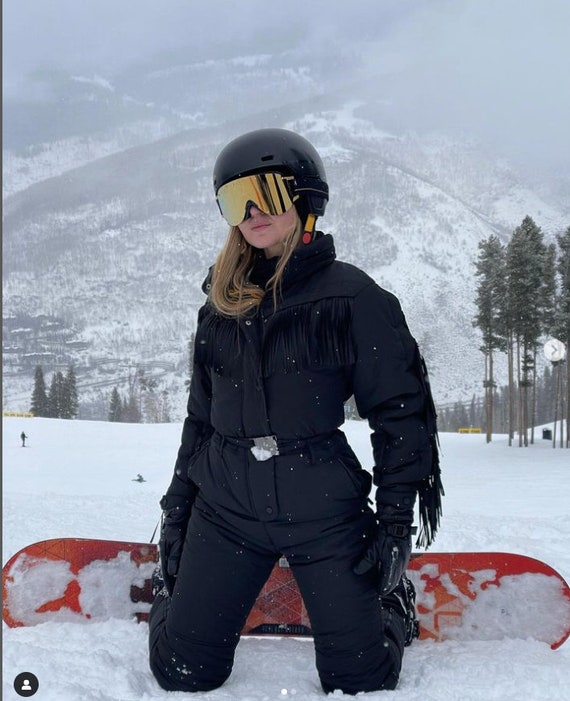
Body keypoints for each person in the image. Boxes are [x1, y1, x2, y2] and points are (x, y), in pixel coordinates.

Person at [148, 128, 443, 695]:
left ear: (304, 197)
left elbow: (399, 415)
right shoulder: (221, 304)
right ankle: (177, 596)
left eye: (266, 193)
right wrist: (178, 509)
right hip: (226, 505)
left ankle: (390, 604)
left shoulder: (351, 298)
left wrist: (396, 522)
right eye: (236, 200)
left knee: (359, 680)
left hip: (322, 509)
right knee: (182, 673)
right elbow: (200, 419)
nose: (253, 211)